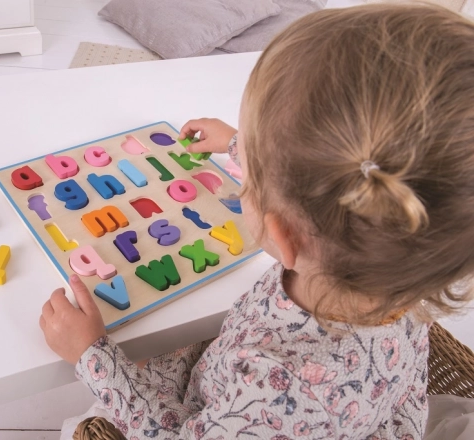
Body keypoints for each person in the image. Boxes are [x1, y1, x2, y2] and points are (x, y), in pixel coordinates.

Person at [39, 4, 474, 439]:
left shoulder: (278, 390)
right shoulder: (406, 261)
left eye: (250, 177)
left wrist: (90, 355)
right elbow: (330, 186)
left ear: (285, 236)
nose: (244, 176)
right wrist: (237, 143)